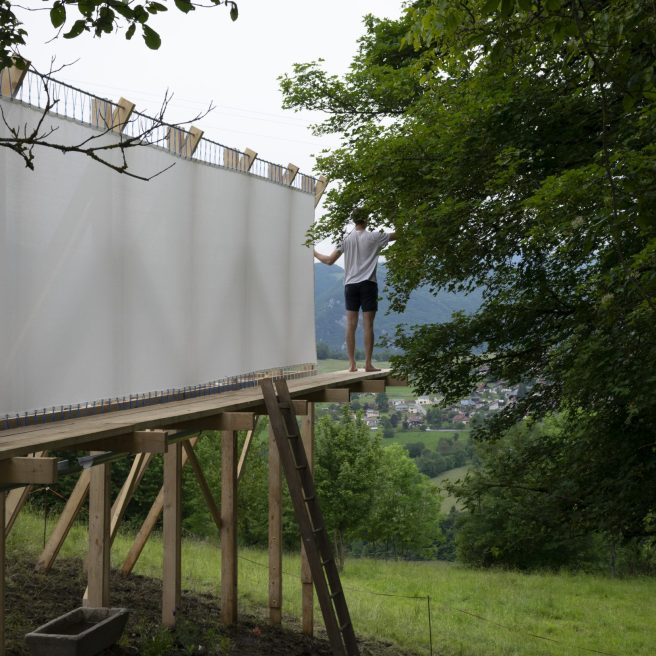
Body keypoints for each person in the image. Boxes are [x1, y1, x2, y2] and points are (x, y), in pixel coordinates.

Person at [313, 209, 396, 372]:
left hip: (350, 285)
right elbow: (400, 234)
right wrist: (394, 213)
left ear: (353, 221)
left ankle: (351, 364)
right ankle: (367, 364)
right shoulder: (375, 236)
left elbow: (329, 260)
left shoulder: (346, 239)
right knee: (368, 326)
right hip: (368, 284)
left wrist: (314, 252)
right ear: (366, 219)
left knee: (350, 325)